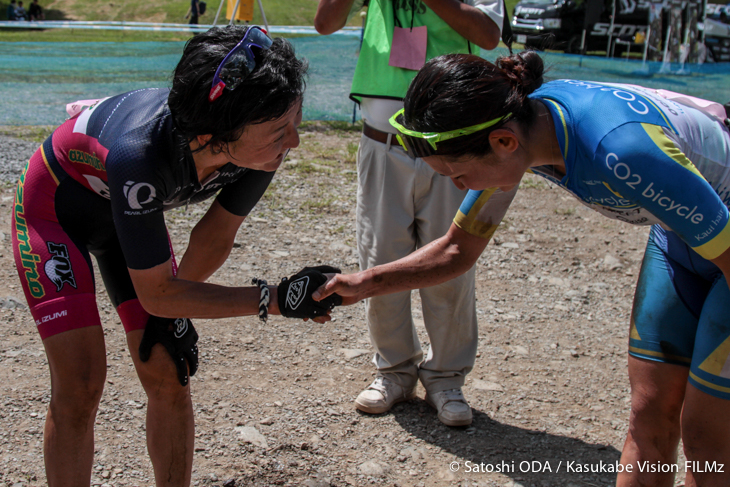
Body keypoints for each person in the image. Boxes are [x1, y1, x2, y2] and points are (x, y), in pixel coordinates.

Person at [315, 51, 730, 486]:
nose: (459, 187)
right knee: (649, 414)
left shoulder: (619, 149)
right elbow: (457, 250)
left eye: (458, 175)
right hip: (686, 240)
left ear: (503, 142)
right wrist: (362, 283)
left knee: (705, 437)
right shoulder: (526, 125)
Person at [11, 25, 341, 487]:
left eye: (295, 122)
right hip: (56, 211)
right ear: (217, 131)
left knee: (169, 369)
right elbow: (160, 293)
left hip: (123, 209)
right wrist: (273, 298)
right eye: (278, 131)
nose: (294, 142)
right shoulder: (139, 155)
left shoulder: (256, 151)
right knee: (81, 385)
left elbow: (213, 238)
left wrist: (171, 313)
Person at [314, 0, 506, 427]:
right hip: (381, 143)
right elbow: (325, 23)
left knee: (449, 262)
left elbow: (490, 34)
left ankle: (446, 378)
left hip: (450, 145)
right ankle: (394, 372)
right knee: (380, 257)